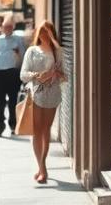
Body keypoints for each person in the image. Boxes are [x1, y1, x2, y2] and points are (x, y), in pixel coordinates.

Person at [21, 21, 66, 183]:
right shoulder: (32, 51)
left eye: (48, 32)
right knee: (37, 131)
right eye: (42, 32)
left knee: (46, 130)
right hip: (36, 94)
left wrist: (55, 44)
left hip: (53, 94)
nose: (44, 35)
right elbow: (23, 74)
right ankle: (42, 168)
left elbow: (65, 75)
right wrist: (36, 75)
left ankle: (43, 164)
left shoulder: (58, 51)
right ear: (37, 34)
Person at [0, 16, 26, 137]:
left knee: (14, 100)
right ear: (2, 28)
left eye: (10, 27)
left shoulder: (18, 40)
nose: (7, 29)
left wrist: (18, 54)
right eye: (5, 27)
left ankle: (13, 124)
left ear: (13, 28)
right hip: (0, 73)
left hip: (13, 73)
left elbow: (24, 55)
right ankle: (0, 124)